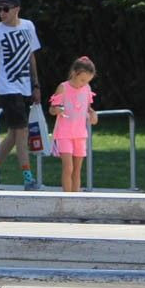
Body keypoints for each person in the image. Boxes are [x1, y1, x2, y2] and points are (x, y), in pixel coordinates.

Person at [0, 0, 43, 190]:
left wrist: (36, 85)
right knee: (22, 132)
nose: (2, 13)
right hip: (7, 88)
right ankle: (28, 178)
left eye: (6, 9)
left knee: (14, 134)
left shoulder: (28, 26)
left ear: (16, 9)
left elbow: (31, 56)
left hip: (23, 86)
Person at [49, 56, 98, 193]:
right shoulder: (63, 87)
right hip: (64, 133)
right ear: (74, 73)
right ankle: (67, 197)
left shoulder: (86, 89)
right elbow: (52, 109)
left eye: (87, 81)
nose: (84, 83)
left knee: (77, 170)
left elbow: (88, 107)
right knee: (68, 168)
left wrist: (93, 114)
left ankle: (75, 198)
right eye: (82, 80)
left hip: (80, 134)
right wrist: (57, 109)